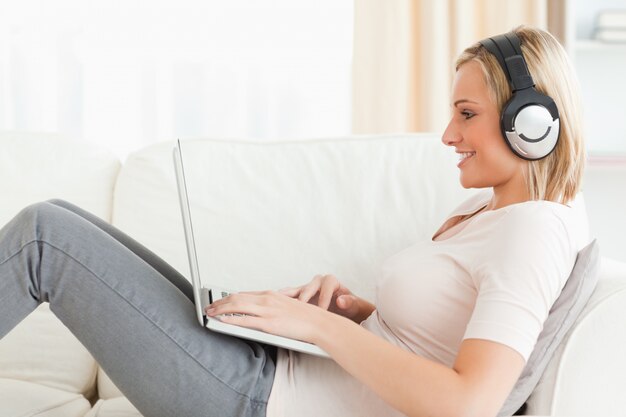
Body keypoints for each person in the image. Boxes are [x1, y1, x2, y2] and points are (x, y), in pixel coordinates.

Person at [0, 25, 588, 417]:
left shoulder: (534, 231)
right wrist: (358, 313)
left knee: (45, 239)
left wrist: (320, 329)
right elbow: (432, 340)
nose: (448, 135)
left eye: (467, 114)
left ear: (531, 124)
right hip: (269, 371)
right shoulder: (485, 211)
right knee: (61, 218)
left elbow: (469, 401)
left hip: (257, 398)